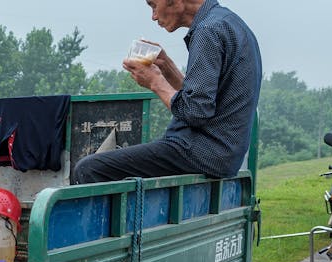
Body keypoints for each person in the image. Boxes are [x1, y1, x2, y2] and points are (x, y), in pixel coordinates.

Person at [72, 0, 261, 183]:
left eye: (153, 5)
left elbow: (196, 112)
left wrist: (155, 82)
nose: (153, 16)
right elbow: (204, 100)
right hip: (222, 153)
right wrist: (167, 67)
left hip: (201, 151)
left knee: (88, 168)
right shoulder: (229, 23)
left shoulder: (207, 31)